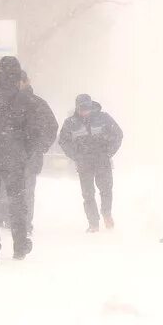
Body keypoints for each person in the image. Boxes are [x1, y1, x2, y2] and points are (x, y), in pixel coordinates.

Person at [0, 56, 41, 263]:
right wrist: (26, 151)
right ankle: (20, 246)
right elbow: (34, 130)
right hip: (14, 157)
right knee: (17, 202)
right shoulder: (25, 99)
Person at [0, 71, 58, 234]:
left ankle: (22, 224)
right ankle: (5, 220)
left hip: (28, 157)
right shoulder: (5, 102)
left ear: (26, 82)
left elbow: (52, 127)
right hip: (9, 155)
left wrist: (39, 148)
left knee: (25, 190)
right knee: (6, 188)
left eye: (18, 82)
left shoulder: (37, 103)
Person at [59, 94, 123, 232]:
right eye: (81, 108)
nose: (84, 111)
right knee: (88, 194)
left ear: (91, 106)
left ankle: (106, 213)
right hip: (84, 163)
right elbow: (63, 141)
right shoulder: (70, 123)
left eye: (87, 108)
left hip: (102, 161)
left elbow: (118, 134)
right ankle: (93, 223)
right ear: (77, 108)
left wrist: (108, 153)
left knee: (106, 190)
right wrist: (76, 156)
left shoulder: (104, 118)